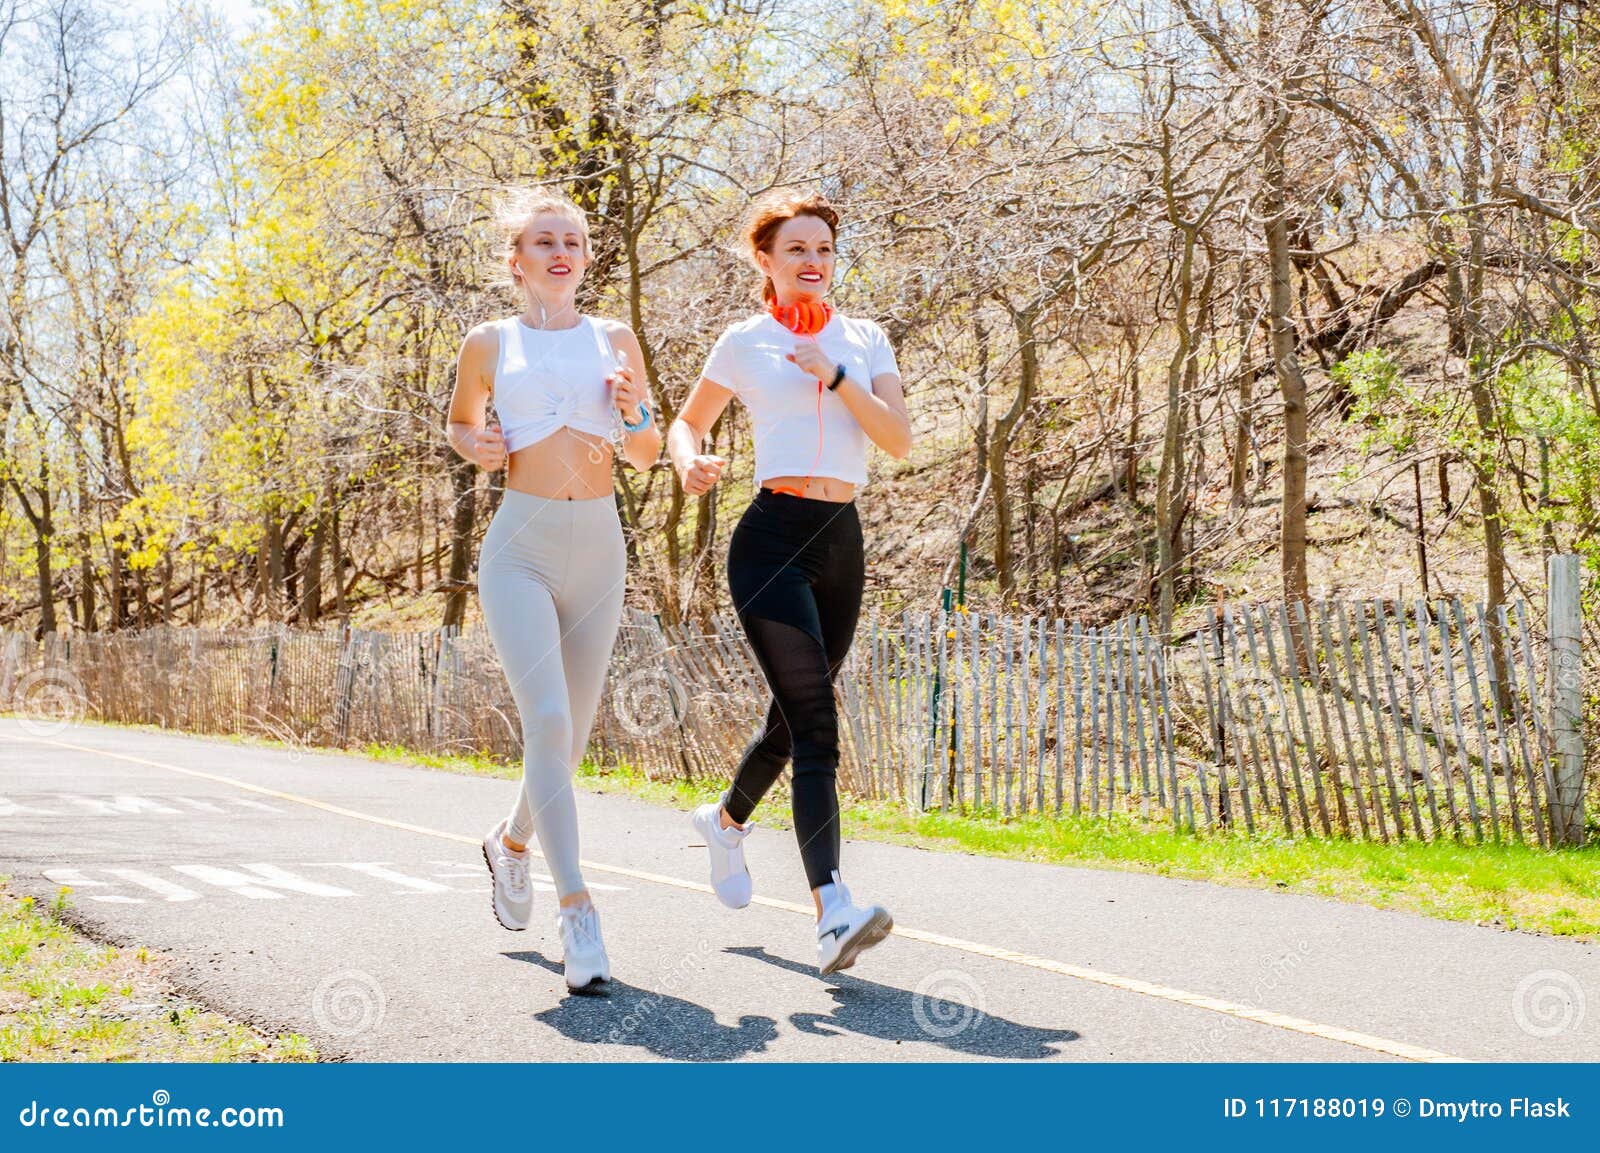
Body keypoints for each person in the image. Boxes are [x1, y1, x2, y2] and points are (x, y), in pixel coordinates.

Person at [668, 190, 912, 974]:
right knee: (817, 723)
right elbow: (687, 420)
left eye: (824, 249)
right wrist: (687, 459)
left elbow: (898, 440)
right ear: (764, 261)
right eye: (797, 250)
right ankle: (833, 909)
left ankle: (728, 817)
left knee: (794, 714)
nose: (813, 262)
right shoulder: (743, 340)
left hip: (841, 538)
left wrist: (838, 374)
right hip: (771, 535)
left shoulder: (863, 337)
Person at [446, 188, 660, 991]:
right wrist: (479, 442)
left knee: (567, 741)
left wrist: (636, 411)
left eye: (572, 239)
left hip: (600, 545)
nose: (561, 250)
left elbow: (641, 453)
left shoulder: (614, 337)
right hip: (522, 545)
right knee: (544, 717)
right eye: (544, 241)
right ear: (518, 260)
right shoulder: (489, 341)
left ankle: (510, 840)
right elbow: (462, 424)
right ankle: (580, 913)